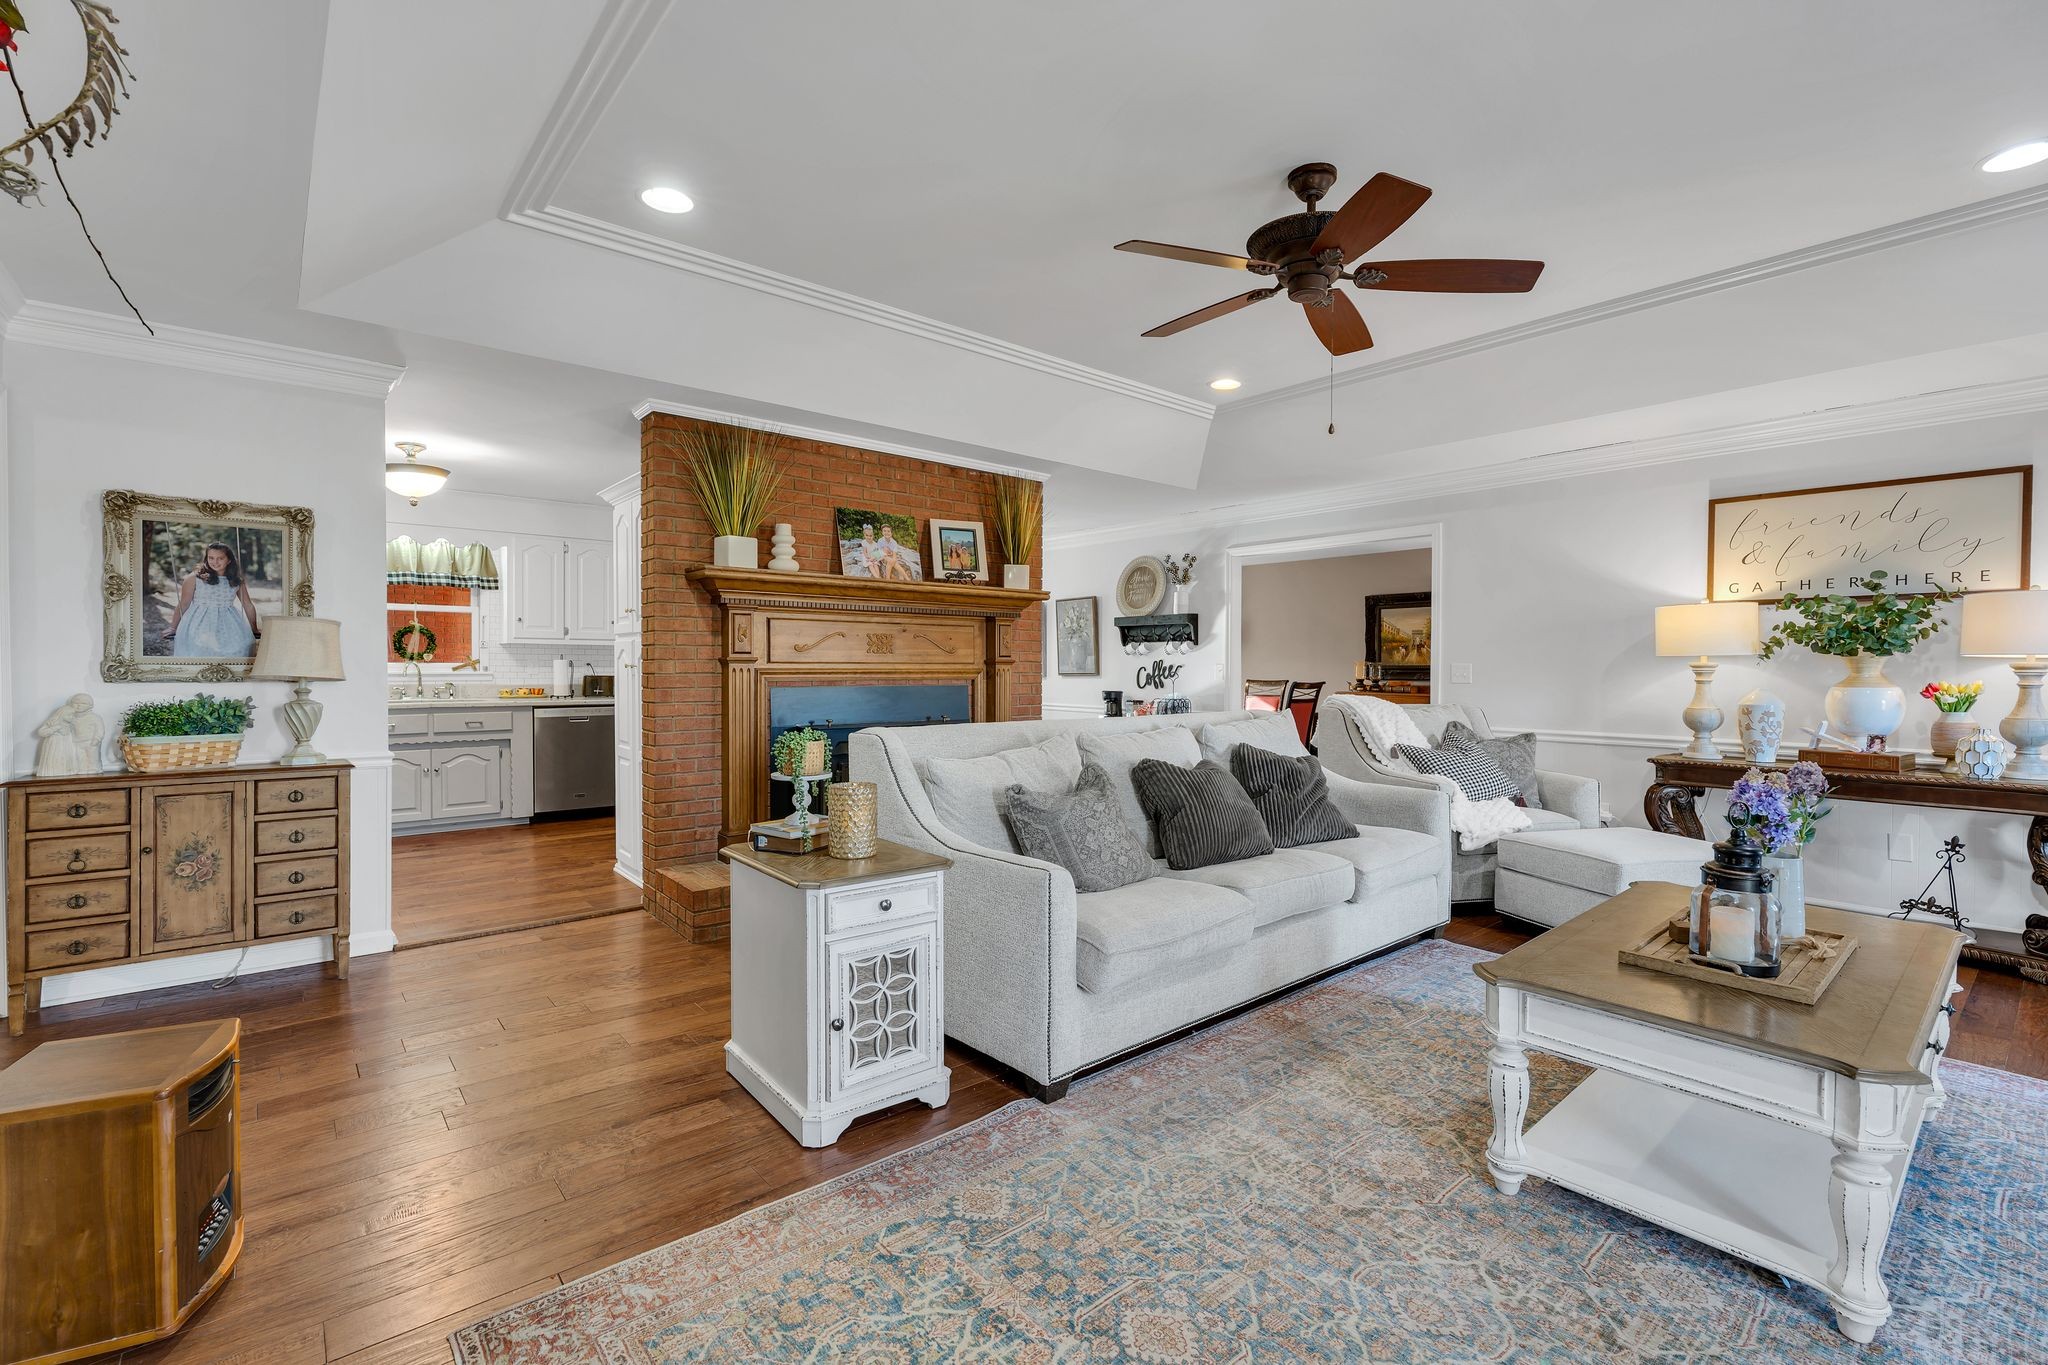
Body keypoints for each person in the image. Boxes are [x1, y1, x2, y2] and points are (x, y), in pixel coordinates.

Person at [168, 542, 262, 657]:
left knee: (240, 648)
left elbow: (247, 605)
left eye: (220, 558)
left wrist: (254, 628)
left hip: (228, 622)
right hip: (199, 622)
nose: (215, 562)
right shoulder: (195, 578)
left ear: (229, 560)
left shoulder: (236, 580)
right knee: (200, 651)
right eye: (211, 558)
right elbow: (184, 604)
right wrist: (173, 627)